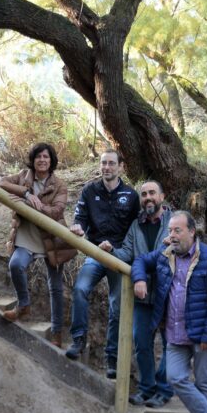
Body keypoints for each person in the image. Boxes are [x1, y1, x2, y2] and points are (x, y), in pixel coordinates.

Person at [131, 211, 207, 413]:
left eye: (178, 230)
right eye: (170, 231)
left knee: (204, 383)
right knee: (174, 377)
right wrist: (139, 279)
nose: (172, 235)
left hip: (202, 334)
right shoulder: (165, 255)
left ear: (192, 232)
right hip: (175, 334)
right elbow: (140, 260)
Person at [65, 149, 140, 378]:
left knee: (117, 306)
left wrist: (121, 251)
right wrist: (78, 227)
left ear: (120, 167)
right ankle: (78, 340)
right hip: (95, 253)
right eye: (103, 163)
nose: (107, 167)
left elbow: (136, 229)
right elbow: (80, 218)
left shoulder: (131, 195)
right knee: (80, 289)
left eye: (111, 163)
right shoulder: (90, 191)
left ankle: (112, 358)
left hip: (119, 258)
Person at [0, 143, 77, 346]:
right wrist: (26, 194)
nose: (42, 160)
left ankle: (57, 333)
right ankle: (23, 305)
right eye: (38, 156)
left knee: (55, 287)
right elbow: (0, 182)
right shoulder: (23, 176)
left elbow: (56, 212)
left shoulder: (59, 185)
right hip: (26, 236)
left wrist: (31, 206)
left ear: (51, 161)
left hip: (51, 237)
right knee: (16, 264)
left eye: (46, 157)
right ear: (33, 160)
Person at [112, 180, 173, 408]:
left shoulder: (174, 222)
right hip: (143, 295)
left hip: (169, 294)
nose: (148, 197)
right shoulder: (135, 226)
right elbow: (127, 252)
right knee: (141, 341)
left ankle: (164, 390)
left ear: (162, 197)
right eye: (144, 194)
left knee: (171, 344)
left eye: (152, 193)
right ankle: (147, 388)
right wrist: (111, 250)